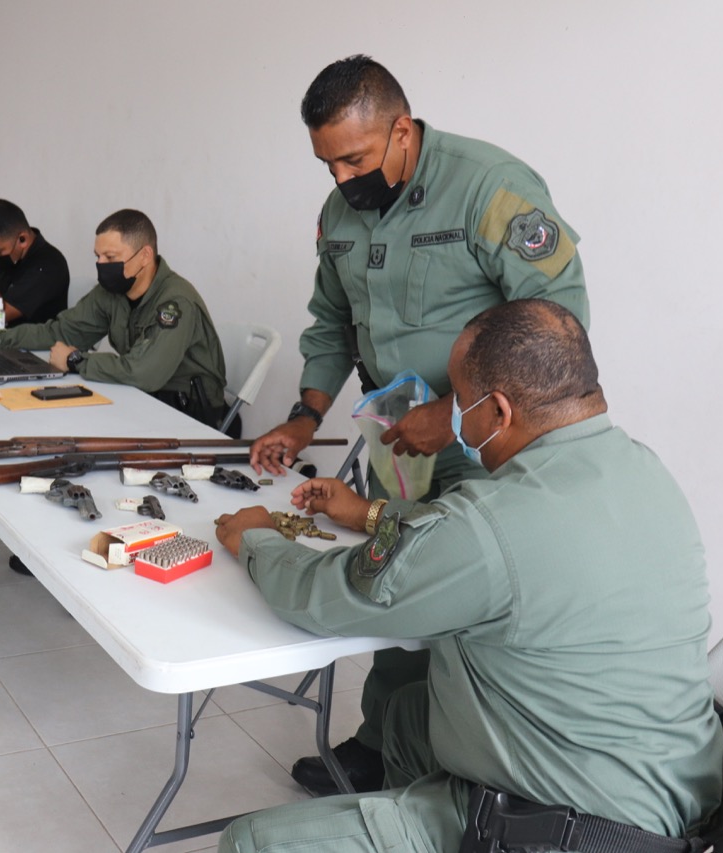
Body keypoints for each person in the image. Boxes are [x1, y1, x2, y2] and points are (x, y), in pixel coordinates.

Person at [216, 299, 722, 853]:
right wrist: (369, 513)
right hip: (672, 800)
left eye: (456, 398)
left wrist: (255, 538)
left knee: (250, 842)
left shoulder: (493, 521)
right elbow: (480, 544)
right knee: (411, 715)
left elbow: (325, 597)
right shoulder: (643, 469)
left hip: (571, 831)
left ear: (498, 412)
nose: (452, 413)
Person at [247, 54, 590, 797]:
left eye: (354, 157)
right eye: (326, 163)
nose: (341, 178)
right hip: (396, 434)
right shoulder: (340, 214)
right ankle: (385, 741)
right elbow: (332, 323)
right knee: (394, 580)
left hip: (494, 442)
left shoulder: (490, 188)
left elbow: (555, 325)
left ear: (401, 129)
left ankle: (473, 762)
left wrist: (457, 414)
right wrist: (307, 416)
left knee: (477, 613)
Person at [0, 208, 232, 432]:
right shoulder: (112, 291)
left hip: (186, 410)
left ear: (145, 255)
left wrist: (75, 360)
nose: (101, 265)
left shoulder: (176, 303)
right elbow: (61, 331)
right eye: (98, 256)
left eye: (110, 258)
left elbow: (144, 373)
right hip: (141, 395)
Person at [0, 198, 68, 325]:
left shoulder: (48, 266)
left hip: (33, 343)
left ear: (22, 239)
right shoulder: (8, 255)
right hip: (0, 337)